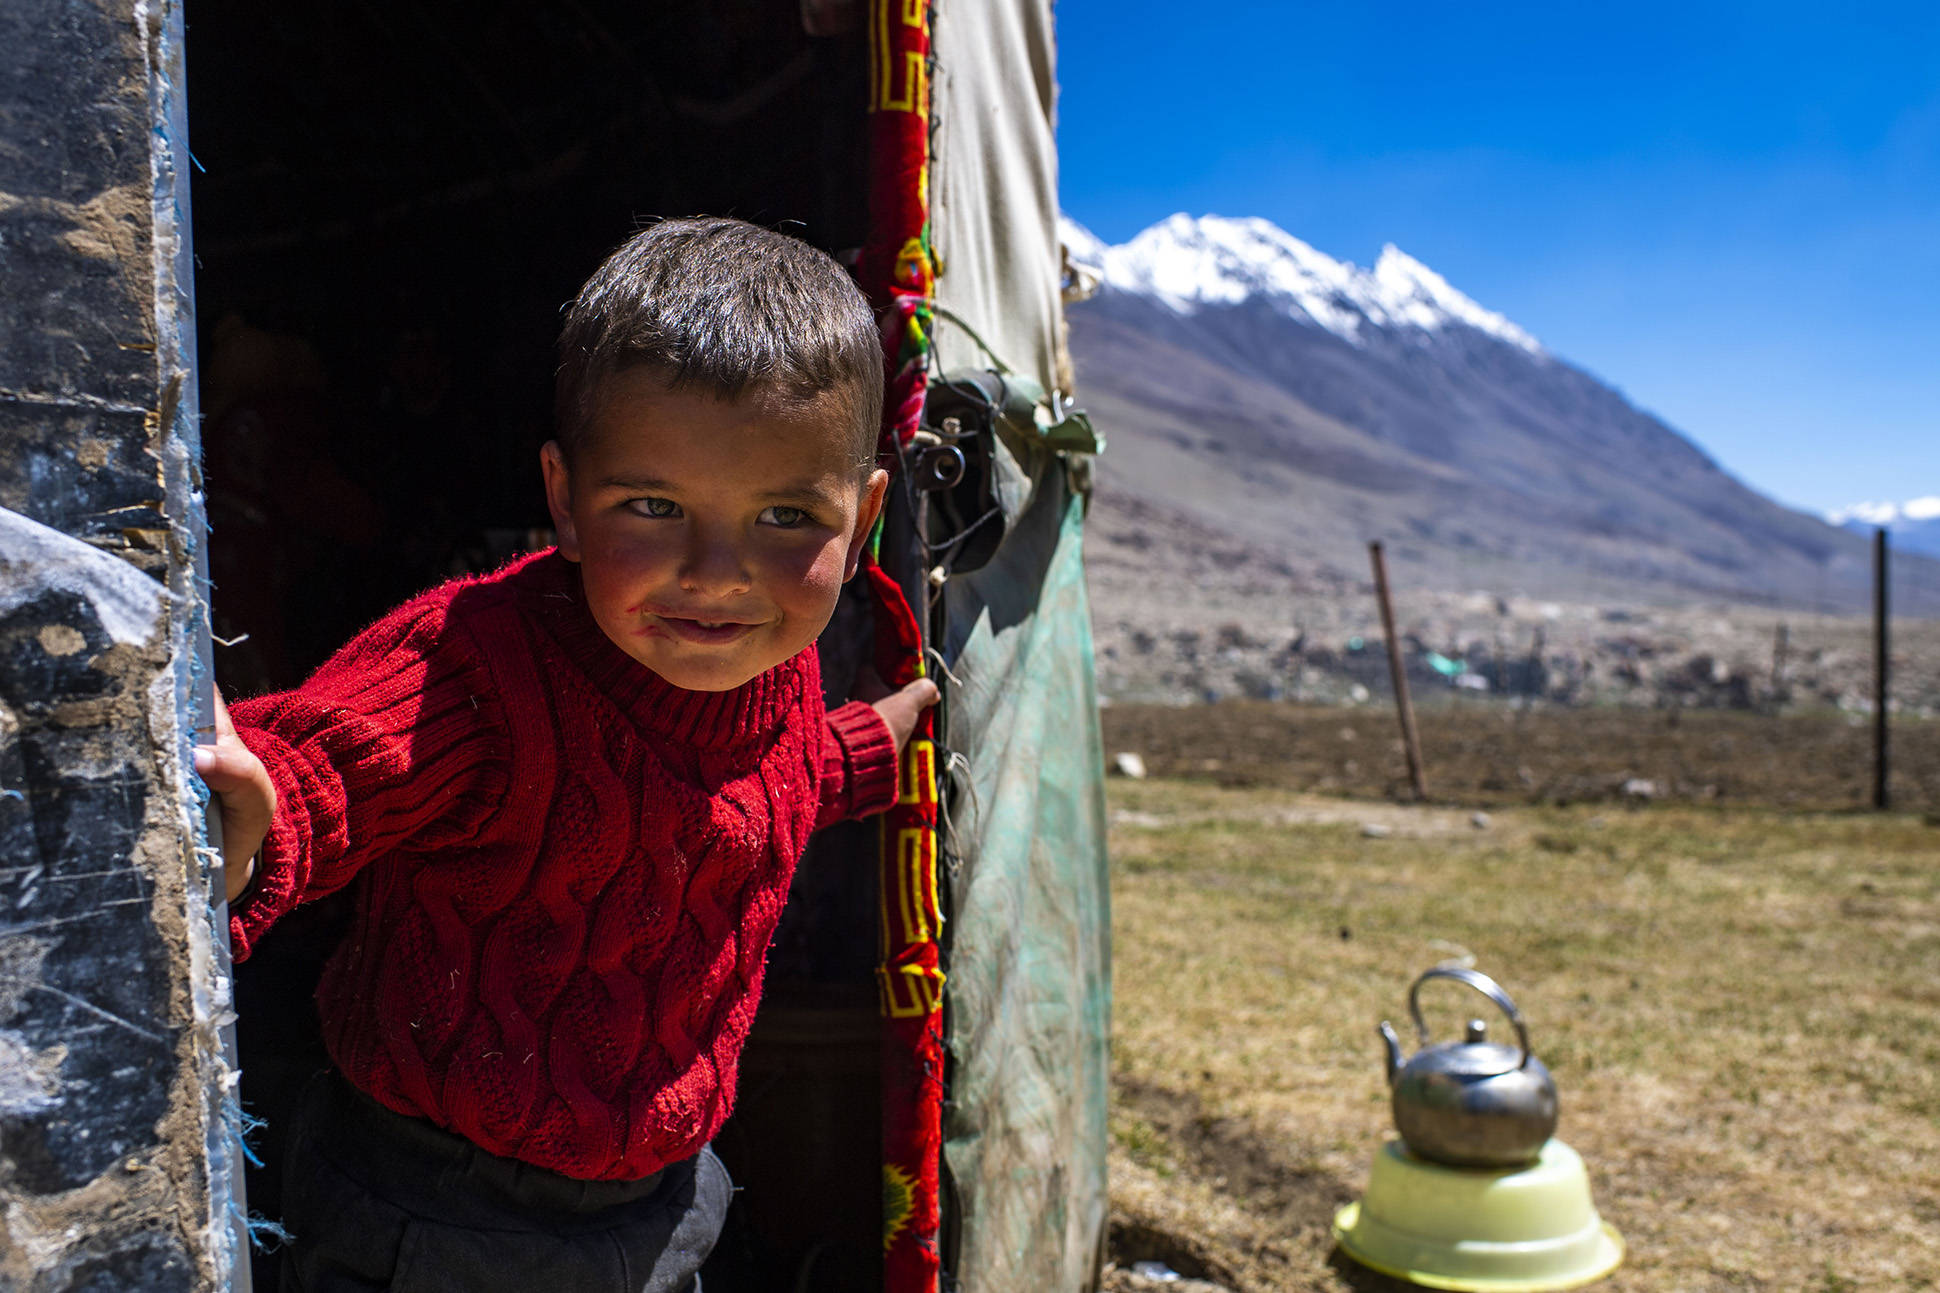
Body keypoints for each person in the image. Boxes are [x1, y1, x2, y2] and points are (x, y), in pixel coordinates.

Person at [194, 217, 938, 1292]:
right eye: (652, 506)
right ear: (564, 502)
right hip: (431, 1208)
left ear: (862, 514)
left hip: (667, 1199)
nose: (718, 572)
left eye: (784, 516)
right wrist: (255, 815)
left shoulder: (772, 671)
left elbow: (770, 784)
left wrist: (875, 740)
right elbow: (329, 766)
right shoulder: (481, 668)